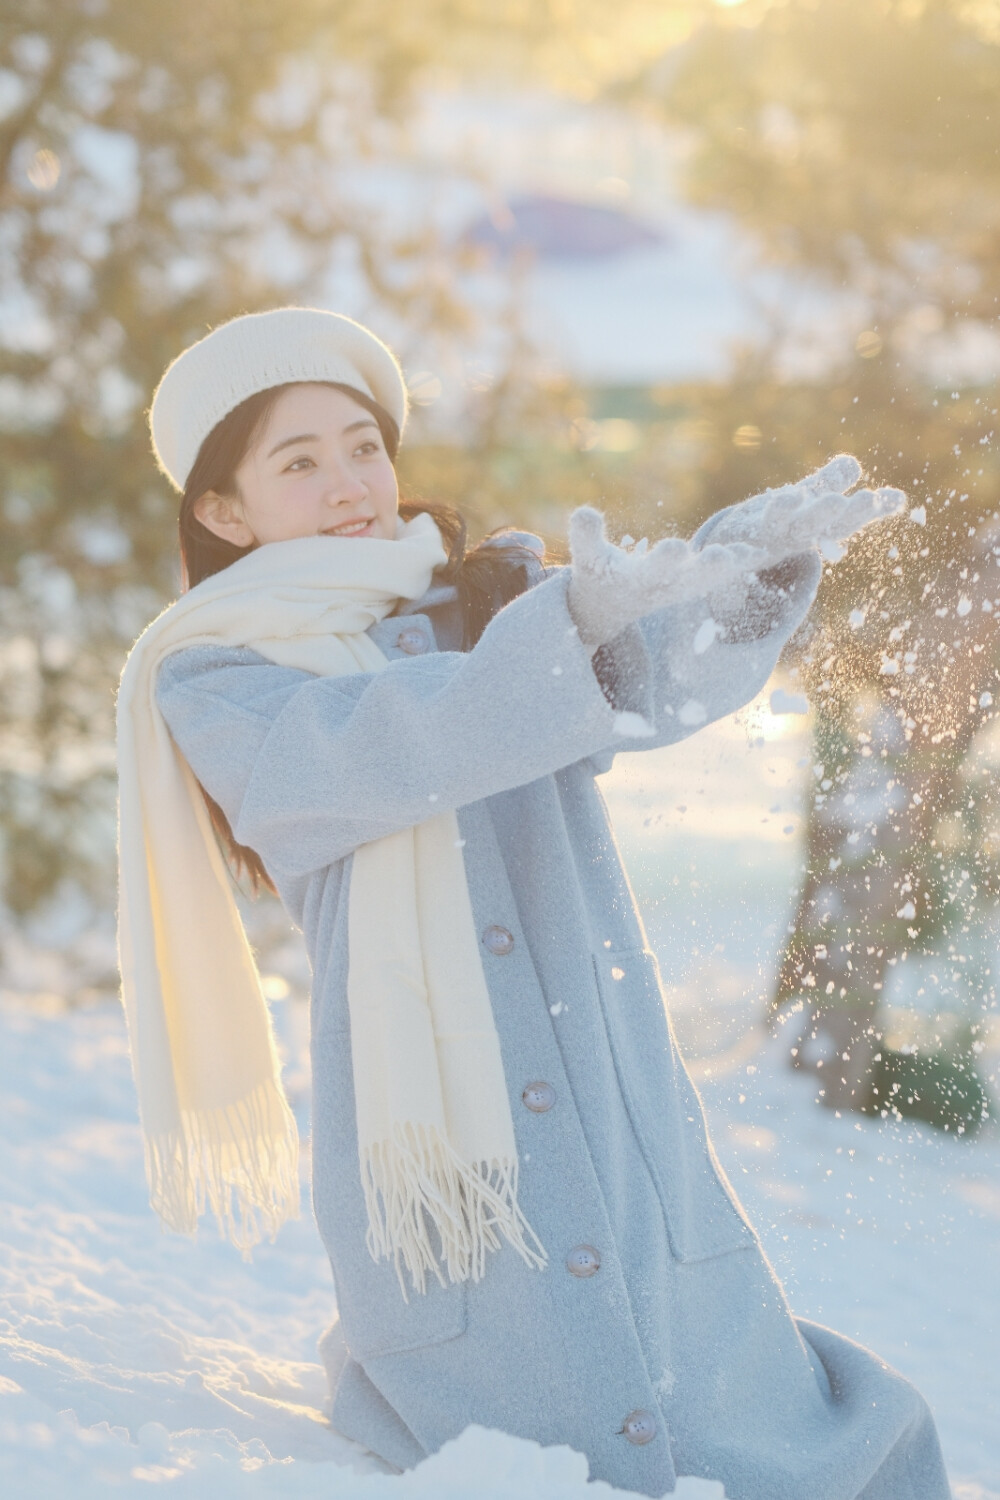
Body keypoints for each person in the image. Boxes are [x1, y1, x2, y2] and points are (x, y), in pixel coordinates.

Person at [116, 307, 951, 1499]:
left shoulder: (491, 595)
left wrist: (747, 564)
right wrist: (573, 631)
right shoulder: (218, 678)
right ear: (222, 511)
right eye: (297, 463)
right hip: (442, 1152)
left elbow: (653, 676)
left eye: (363, 446)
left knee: (740, 1410)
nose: (351, 484)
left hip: (604, 1084)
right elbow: (387, 748)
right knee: (521, 1423)